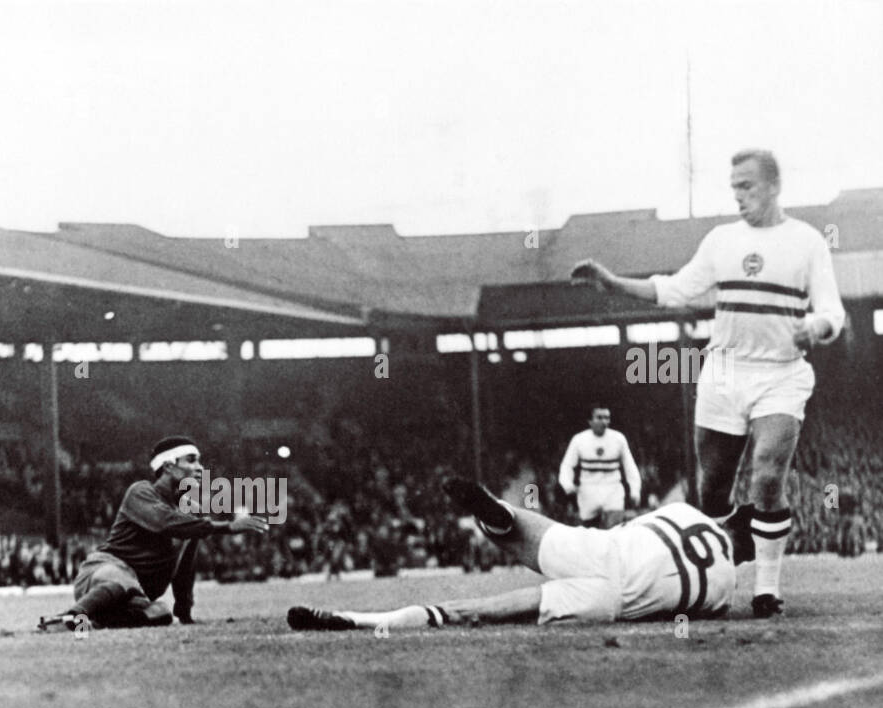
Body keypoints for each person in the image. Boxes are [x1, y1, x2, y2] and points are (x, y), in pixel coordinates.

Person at [571, 148, 845, 617]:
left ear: (774, 186)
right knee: (713, 489)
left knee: (766, 472)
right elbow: (675, 289)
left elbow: (832, 310)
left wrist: (815, 328)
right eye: (733, 186)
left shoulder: (807, 242)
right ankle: (720, 571)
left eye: (747, 186)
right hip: (723, 374)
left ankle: (766, 589)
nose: (737, 195)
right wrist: (613, 282)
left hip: (780, 374)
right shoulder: (721, 240)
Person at [287, 478, 734, 631]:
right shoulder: (727, 586)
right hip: (612, 601)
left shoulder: (683, 510)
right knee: (467, 613)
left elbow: (632, 527)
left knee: (521, 529)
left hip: (600, 550)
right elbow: (702, 610)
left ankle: (498, 515)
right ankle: (366, 622)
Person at [37, 436, 268, 630]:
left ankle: (93, 622)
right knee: (122, 579)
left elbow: (184, 569)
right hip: (102, 573)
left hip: (135, 594)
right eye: (192, 460)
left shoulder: (192, 514)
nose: (200, 468)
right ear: (168, 466)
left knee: (161, 613)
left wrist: (184, 612)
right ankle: (68, 617)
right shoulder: (140, 492)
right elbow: (165, 522)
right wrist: (227, 527)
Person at [558, 405, 641, 528]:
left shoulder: (618, 439)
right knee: (590, 534)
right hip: (588, 491)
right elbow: (567, 465)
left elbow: (630, 467)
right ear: (590, 421)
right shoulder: (579, 440)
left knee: (615, 532)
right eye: (599, 417)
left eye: (607, 418)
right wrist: (567, 485)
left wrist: (635, 490)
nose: (604, 421)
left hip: (612, 490)